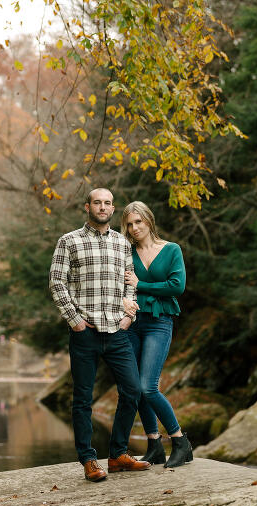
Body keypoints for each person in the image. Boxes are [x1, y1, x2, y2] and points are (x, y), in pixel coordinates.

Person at [49, 188, 151, 482]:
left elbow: (130, 284)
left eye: (107, 203)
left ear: (112, 208)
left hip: (117, 332)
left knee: (132, 391)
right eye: (98, 202)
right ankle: (89, 460)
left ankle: (118, 454)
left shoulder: (122, 243)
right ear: (88, 206)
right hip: (85, 334)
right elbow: (57, 283)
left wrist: (128, 317)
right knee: (82, 399)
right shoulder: (69, 241)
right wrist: (75, 321)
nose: (103, 207)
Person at [120, 201, 193, 468]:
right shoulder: (126, 253)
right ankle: (153, 445)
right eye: (129, 224)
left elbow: (177, 286)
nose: (134, 228)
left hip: (159, 322)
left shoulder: (172, 250)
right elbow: (120, 286)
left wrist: (142, 285)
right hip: (132, 324)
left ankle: (180, 441)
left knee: (147, 386)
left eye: (138, 221)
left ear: (149, 221)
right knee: (135, 388)